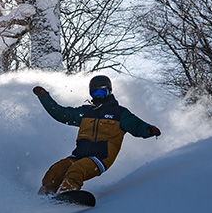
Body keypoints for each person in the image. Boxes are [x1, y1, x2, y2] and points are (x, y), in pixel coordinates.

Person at [33, 75, 161, 195]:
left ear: (109, 92)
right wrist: (44, 97)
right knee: (56, 170)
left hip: (101, 157)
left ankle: (66, 196)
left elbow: (137, 126)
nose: (99, 97)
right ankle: (45, 195)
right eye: (95, 93)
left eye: (102, 93)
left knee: (77, 170)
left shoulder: (119, 114)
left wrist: (148, 130)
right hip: (79, 154)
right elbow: (61, 114)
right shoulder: (86, 112)